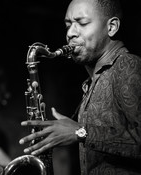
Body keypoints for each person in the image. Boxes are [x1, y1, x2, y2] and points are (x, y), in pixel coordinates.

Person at [19, 0, 141, 174]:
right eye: (68, 24)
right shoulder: (92, 82)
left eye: (82, 23)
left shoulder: (128, 65)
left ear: (112, 27)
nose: (70, 33)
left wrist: (80, 132)